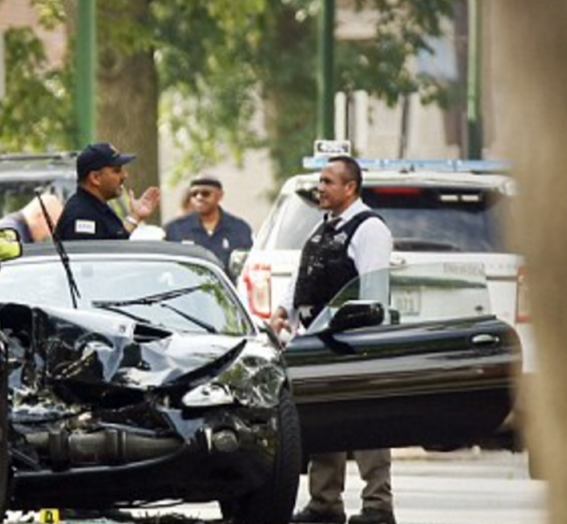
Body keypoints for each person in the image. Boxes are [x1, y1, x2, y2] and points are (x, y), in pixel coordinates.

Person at [271, 155, 395, 524]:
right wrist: (282, 311)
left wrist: (365, 340)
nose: (320, 188)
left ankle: (377, 506)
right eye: (320, 181)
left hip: (357, 340)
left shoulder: (370, 229)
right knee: (325, 420)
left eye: (327, 181)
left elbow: (373, 290)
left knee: (368, 423)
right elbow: (302, 277)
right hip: (319, 341)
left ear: (350, 187)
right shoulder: (324, 228)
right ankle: (325, 504)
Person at [53, 142, 160, 241]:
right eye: (117, 171)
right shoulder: (82, 216)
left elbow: (114, 242)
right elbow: (100, 256)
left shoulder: (95, 207)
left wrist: (135, 216)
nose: (124, 175)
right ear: (95, 178)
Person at [163, 172, 253, 266]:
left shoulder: (239, 229)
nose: (199, 197)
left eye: (205, 193)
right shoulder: (175, 229)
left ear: (220, 196)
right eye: (194, 194)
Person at [0, 192, 64, 243]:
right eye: (52, 226)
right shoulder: (10, 233)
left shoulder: (19, 231)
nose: (50, 234)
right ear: (40, 216)